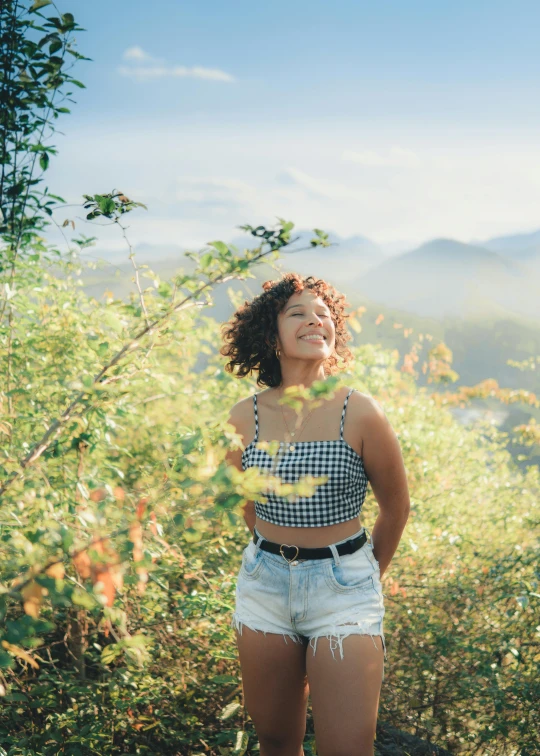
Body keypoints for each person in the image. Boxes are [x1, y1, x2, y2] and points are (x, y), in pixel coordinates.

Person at [221, 273, 410, 756]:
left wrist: (363, 575)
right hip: (264, 586)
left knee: (347, 747)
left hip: (344, 590)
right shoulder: (245, 417)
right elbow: (247, 504)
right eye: (299, 313)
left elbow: (396, 506)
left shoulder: (360, 410)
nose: (316, 320)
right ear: (271, 335)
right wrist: (277, 556)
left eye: (324, 314)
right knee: (277, 742)